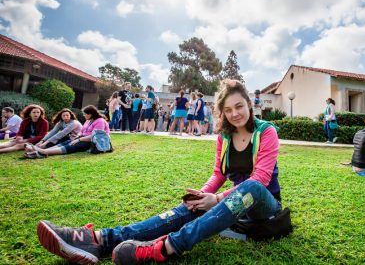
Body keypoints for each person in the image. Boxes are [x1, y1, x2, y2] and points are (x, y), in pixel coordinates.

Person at [36, 79, 284, 264]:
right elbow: (218, 174)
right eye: (228, 110)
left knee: (251, 188)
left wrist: (216, 199)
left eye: (239, 107)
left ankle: (165, 248)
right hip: (229, 205)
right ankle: (100, 239)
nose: (234, 114)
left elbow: (259, 179)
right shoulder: (225, 136)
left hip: (263, 207)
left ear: (249, 104)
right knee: (190, 206)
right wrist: (203, 195)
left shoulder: (267, 132)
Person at [23, 105, 109, 158]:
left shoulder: (99, 121)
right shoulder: (88, 120)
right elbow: (81, 132)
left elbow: (96, 137)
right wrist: (78, 136)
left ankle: (44, 152)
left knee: (73, 145)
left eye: (85, 114)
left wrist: (79, 139)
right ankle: (40, 152)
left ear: (90, 114)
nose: (83, 115)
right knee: (68, 141)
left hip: (92, 142)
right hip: (82, 138)